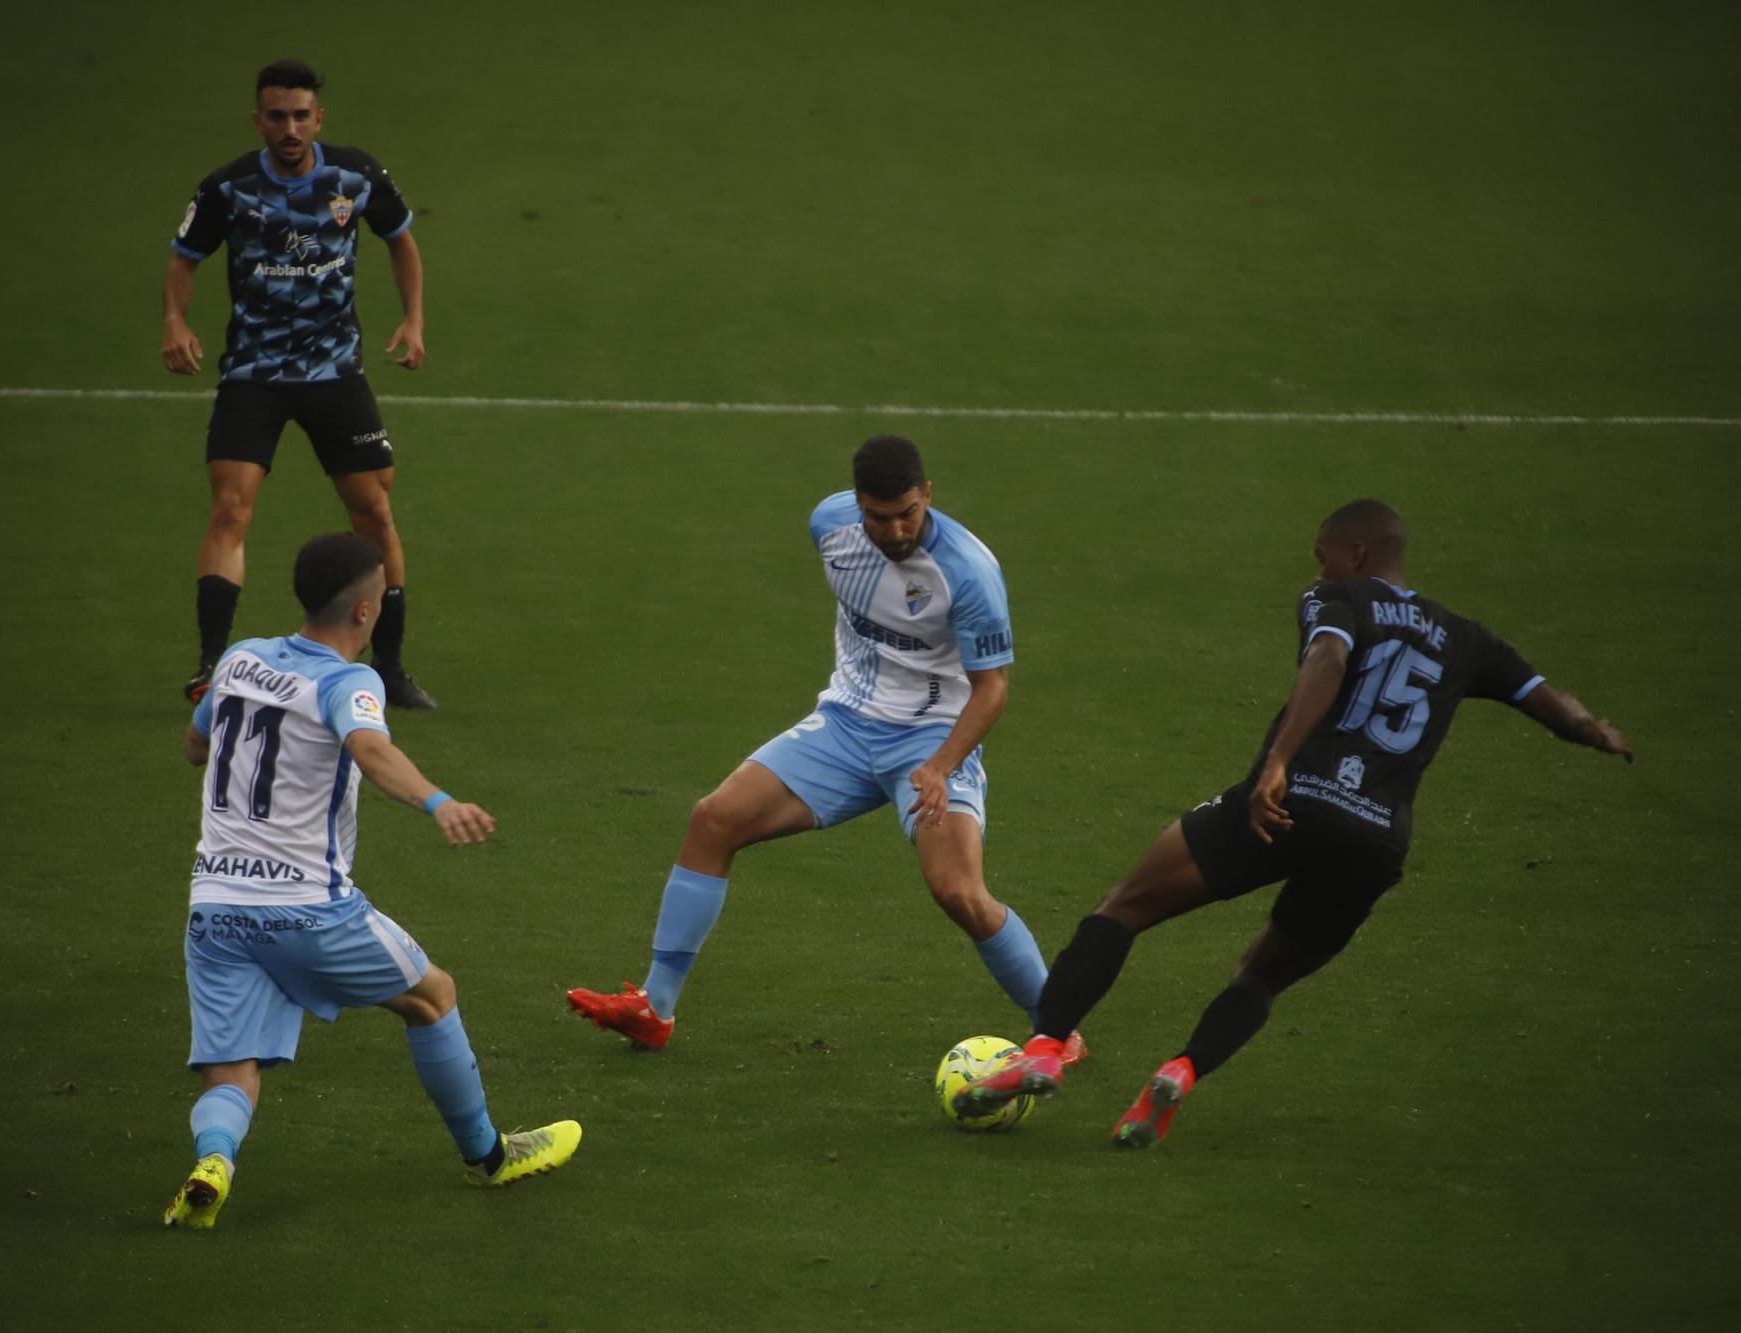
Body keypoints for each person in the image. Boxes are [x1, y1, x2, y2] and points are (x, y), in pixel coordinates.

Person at [955, 499, 1633, 1146]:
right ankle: (1179, 1072)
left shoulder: (1336, 598)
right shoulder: (1467, 638)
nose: (1316, 572)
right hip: (1377, 842)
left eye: (1322, 557)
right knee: (1260, 975)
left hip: (1290, 801)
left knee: (1126, 904)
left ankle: (1045, 1048)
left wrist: (1279, 760)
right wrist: (1596, 730)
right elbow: (1552, 704)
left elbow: (1329, 659)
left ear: (1357, 553)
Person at [567, 436, 1082, 1061]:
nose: (894, 530)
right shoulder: (829, 526)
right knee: (713, 820)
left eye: (907, 513)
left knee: (959, 892)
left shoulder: (969, 573)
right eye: (879, 515)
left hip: (930, 742)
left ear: (928, 497)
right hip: (845, 724)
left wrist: (942, 766)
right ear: (857, 504)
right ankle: (656, 1008)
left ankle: (1056, 1030)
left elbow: (992, 689)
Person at [164, 532, 579, 1228]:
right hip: (308, 910)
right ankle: (489, 1154)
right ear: (364, 612)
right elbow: (372, 748)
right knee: (431, 995)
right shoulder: (349, 681)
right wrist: (440, 801)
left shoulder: (239, 658)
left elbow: (196, 743)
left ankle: (214, 1162)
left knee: (233, 1067)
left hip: (215, 906)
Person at [162, 59, 435, 712]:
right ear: (257, 119)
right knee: (230, 509)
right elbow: (184, 259)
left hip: (335, 375)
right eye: (277, 116)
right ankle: (210, 663)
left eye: (300, 115)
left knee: (374, 513)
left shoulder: (356, 176)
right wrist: (175, 321)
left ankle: (391, 667)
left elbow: (401, 241)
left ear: (319, 118)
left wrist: (414, 319)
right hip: (254, 375)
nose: (289, 128)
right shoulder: (228, 188)